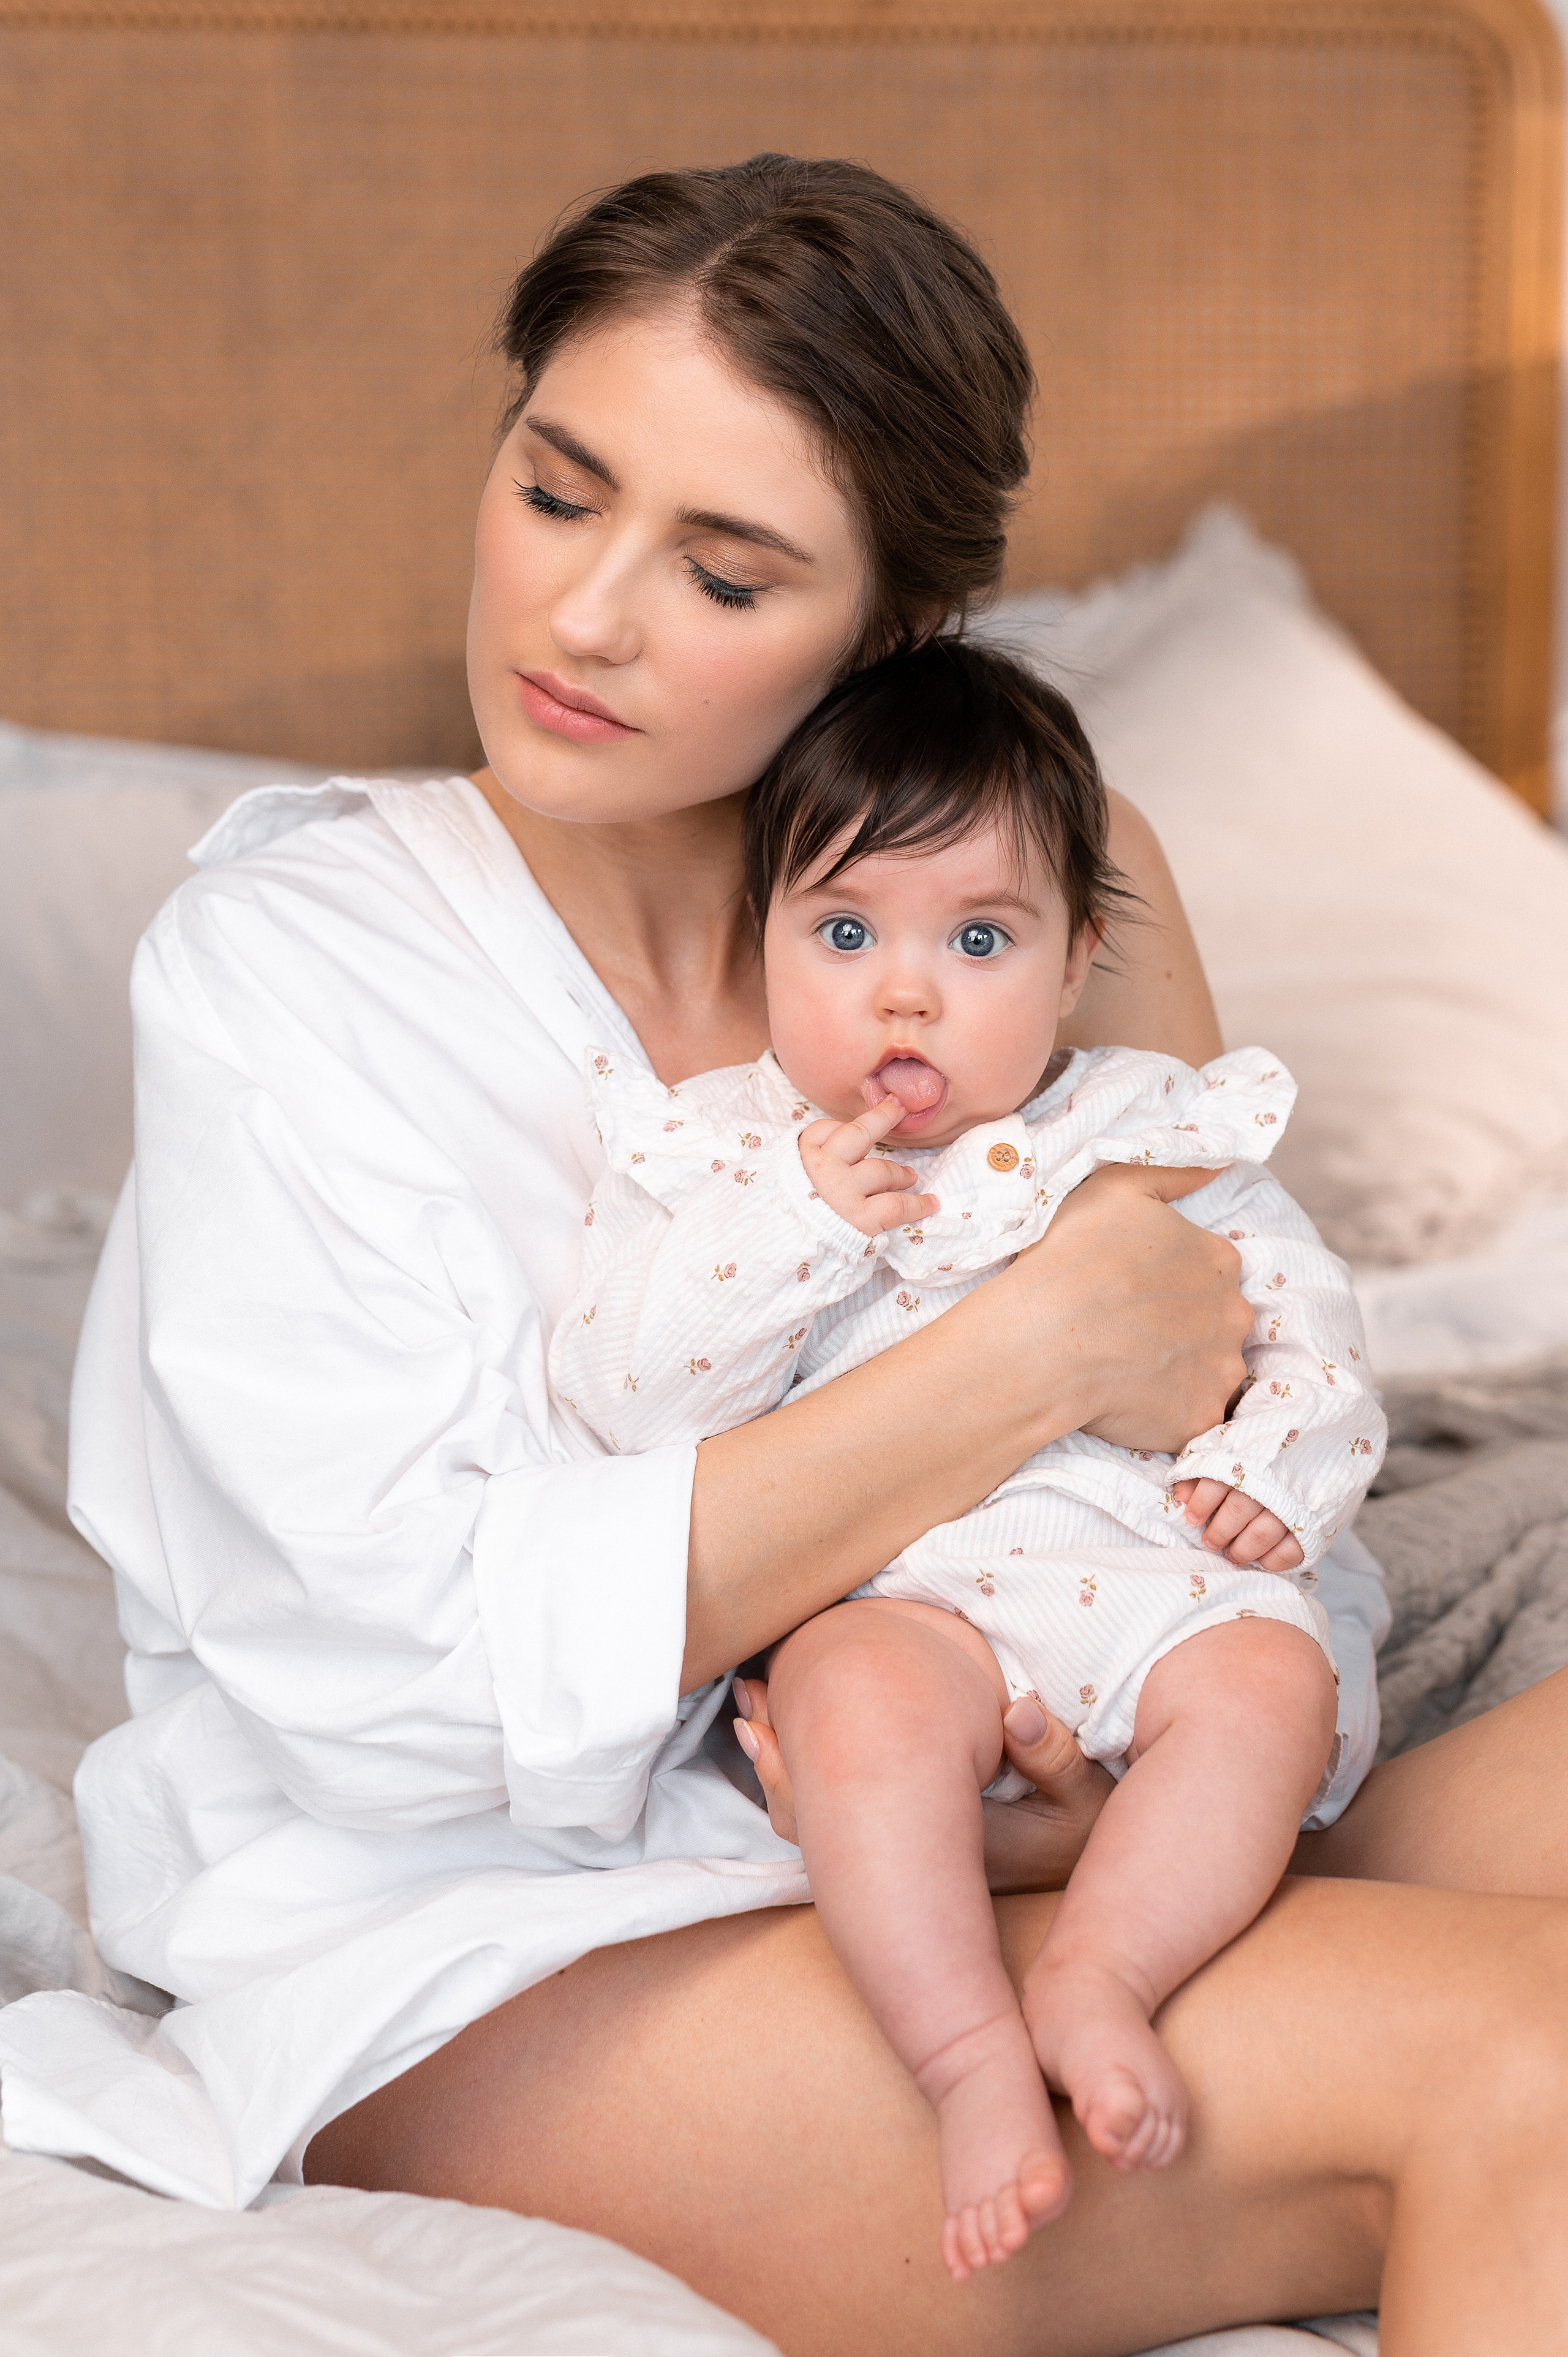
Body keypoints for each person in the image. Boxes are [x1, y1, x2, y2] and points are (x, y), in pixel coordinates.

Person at [1, 153, 1566, 2356]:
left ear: (898, 638)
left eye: (725, 571)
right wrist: (1022, 1363)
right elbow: (398, 1686)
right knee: (1535, 2061)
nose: (587, 618)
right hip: (503, 1942)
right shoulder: (295, 970)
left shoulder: (1046, 882)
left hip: (1060, 1799)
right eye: (558, 490)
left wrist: (1119, 1784)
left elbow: (1229, 1418)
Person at [549, 635, 1384, 2279]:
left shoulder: (1149, 1131)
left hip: (1146, 1574)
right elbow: (624, 1397)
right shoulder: (730, 1156)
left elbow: (1305, 1320)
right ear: (765, 940)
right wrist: (789, 1223)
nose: (905, 991)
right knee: (849, 1708)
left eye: (979, 938)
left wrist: (1276, 1472)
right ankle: (964, 2057)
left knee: (1270, 1695)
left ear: (1075, 964)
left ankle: (1102, 1976)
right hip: (906, 1597)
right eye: (844, 931)